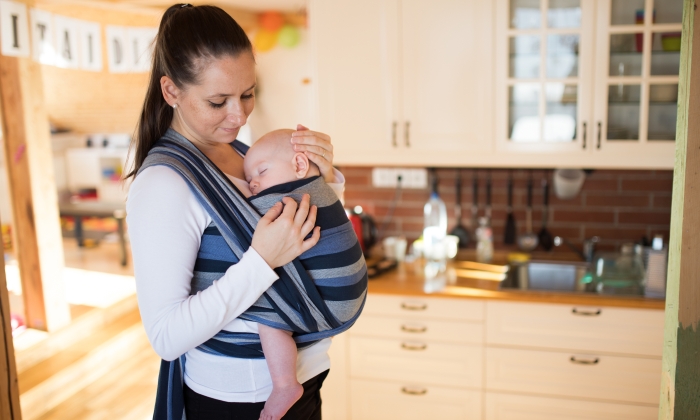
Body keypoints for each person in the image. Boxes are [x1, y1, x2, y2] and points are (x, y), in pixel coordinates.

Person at [125, 4, 345, 419]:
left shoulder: (246, 155)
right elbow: (167, 336)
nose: (239, 115)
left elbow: (308, 247)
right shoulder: (164, 185)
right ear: (171, 92)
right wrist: (262, 260)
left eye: (247, 94)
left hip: (306, 380)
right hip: (242, 400)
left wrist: (323, 181)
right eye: (217, 101)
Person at [242, 129, 367, 420]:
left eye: (261, 171)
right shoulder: (320, 190)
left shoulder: (285, 202)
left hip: (331, 301)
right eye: (249, 181)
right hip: (347, 296)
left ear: (299, 165)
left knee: (269, 321)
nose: (254, 184)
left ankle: (285, 384)